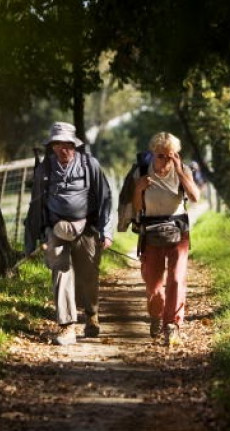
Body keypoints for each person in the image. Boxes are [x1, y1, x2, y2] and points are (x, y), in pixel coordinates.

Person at [24, 122, 113, 346]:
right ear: (52, 146)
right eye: (58, 145)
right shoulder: (44, 170)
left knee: (88, 276)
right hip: (55, 230)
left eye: (67, 145)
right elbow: (35, 206)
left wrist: (106, 231)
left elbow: (105, 198)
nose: (63, 149)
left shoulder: (90, 164)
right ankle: (66, 326)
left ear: (74, 145)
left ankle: (91, 313)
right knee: (61, 273)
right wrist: (32, 239)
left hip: (87, 229)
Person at [132, 132, 199, 346]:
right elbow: (136, 207)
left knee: (176, 279)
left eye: (169, 156)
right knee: (153, 283)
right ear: (153, 154)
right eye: (160, 155)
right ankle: (156, 314)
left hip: (177, 230)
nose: (164, 160)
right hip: (150, 230)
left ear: (175, 155)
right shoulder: (142, 171)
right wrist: (139, 188)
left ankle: (171, 324)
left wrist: (180, 172)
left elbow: (196, 197)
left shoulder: (183, 170)